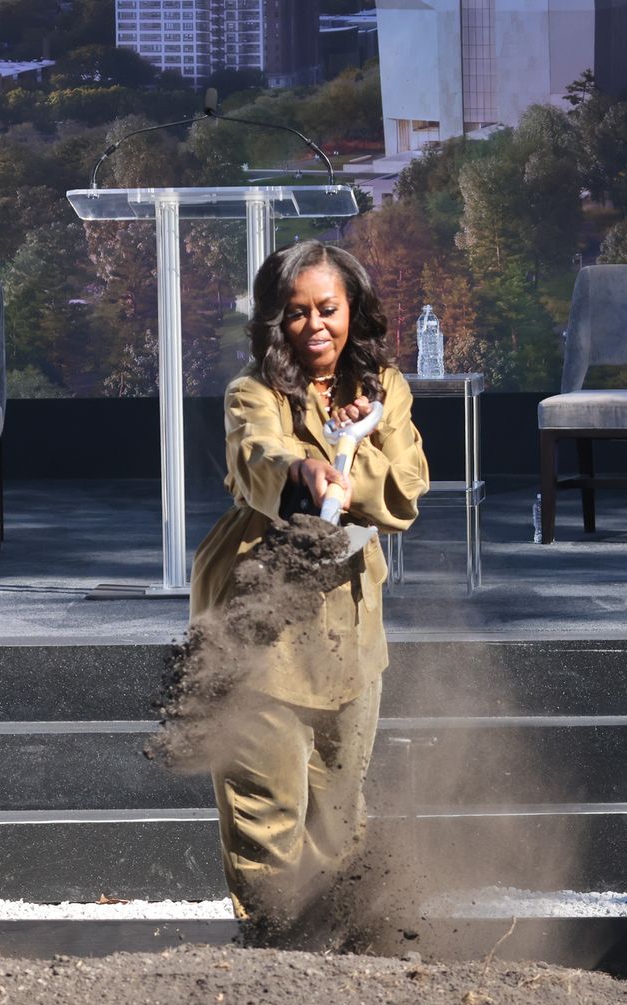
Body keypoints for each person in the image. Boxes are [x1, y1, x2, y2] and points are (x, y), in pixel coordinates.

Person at [191, 240, 428, 932]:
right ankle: (276, 965)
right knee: (265, 823)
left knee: (341, 825)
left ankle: (342, 974)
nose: (314, 326)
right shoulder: (252, 392)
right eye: (296, 314)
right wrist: (303, 471)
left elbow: (407, 488)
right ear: (274, 322)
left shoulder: (384, 389)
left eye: (328, 309)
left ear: (353, 309)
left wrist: (357, 465)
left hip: (348, 641)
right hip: (259, 633)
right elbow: (256, 456)